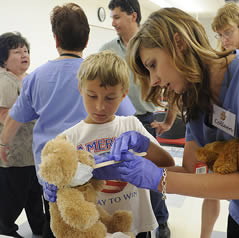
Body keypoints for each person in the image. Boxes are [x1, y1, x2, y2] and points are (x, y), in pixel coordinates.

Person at [92, 7, 239, 238]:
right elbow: (193, 170)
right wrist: (126, 164)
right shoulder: (195, 96)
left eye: (152, 64)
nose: (153, 81)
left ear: (179, 43)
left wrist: (158, 179)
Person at [0, 3, 134, 238]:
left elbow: (14, 120)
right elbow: (128, 118)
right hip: (95, 166)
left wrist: (3, 144)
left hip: (54, 171)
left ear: (55, 39)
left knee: (58, 222)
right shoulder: (98, 73)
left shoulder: (36, 78)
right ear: (87, 37)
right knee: (94, 220)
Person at [59, 50, 175, 237]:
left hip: (136, 222)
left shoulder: (131, 124)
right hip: (97, 226)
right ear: (80, 89)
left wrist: (144, 145)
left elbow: (167, 163)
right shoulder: (69, 138)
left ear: (124, 94)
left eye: (110, 98)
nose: (100, 106)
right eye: (92, 95)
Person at [99, 1, 177, 237]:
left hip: (145, 120)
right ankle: (131, 221)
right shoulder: (107, 50)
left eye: (117, 17)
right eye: (111, 18)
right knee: (123, 178)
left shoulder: (150, 46)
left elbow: (173, 87)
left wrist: (169, 120)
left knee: (151, 176)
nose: (113, 23)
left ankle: (160, 221)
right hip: (116, 122)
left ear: (133, 16)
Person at [193, 3, 239, 238]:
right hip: (223, 138)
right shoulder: (218, 62)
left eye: (228, 32)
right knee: (210, 189)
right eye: (220, 35)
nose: (224, 40)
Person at [0, 32, 45, 238]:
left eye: (25, 51)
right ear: (4, 58)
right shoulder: (4, 81)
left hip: (33, 152)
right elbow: (4, 115)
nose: (24, 55)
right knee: (13, 197)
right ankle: (6, 230)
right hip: (13, 153)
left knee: (35, 194)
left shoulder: (29, 78)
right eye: (17, 52)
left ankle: (39, 227)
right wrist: (30, 111)